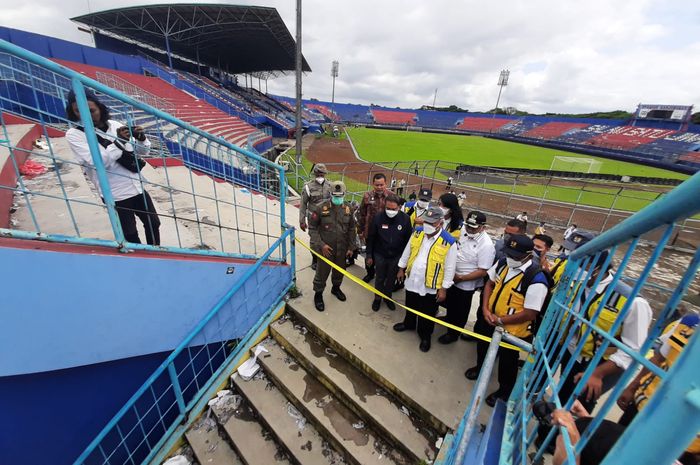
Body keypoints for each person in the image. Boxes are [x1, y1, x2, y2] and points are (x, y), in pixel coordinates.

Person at [556, 252, 652, 413]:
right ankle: (545, 435)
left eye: (582, 267)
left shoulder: (633, 302)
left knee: (578, 407)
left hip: (602, 364)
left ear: (597, 269)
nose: (576, 270)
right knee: (562, 396)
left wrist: (598, 373)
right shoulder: (580, 286)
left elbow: (634, 350)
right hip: (572, 353)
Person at [65, 90, 160, 245]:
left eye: (91, 111)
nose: (86, 115)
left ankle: (155, 252)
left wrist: (142, 140)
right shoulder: (74, 135)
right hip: (115, 194)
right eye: (78, 111)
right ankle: (140, 259)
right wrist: (118, 143)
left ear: (100, 108)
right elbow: (97, 162)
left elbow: (139, 152)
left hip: (137, 186)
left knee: (154, 223)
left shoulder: (115, 125)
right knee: (130, 234)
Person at [467, 234, 550, 407]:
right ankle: (481, 368)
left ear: (528, 255)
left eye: (515, 255)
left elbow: (530, 313)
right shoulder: (504, 263)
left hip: (512, 330)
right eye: (509, 253)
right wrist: (485, 309)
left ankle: (504, 391)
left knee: (507, 362)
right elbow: (489, 284)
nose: (511, 257)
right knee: (483, 346)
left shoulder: (536, 279)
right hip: (490, 319)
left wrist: (501, 320)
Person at [617, 312, 699, 465]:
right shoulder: (688, 323)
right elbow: (658, 358)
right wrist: (632, 387)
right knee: (616, 452)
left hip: (685, 440)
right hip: (643, 407)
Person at [393, 206, 457, 352]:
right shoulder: (417, 233)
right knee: (410, 303)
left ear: (440, 223)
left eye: (432, 223)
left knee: (427, 312)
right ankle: (408, 323)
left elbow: (450, 268)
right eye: (426, 222)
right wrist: (401, 269)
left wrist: (443, 289)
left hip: (431, 284)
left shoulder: (449, 242)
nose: (427, 225)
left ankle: (425, 335)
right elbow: (407, 251)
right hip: (412, 279)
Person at [438, 211, 495, 344]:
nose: (469, 229)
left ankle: (453, 334)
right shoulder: (463, 231)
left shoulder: (486, 245)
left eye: (473, 227)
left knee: (461, 310)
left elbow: (483, 271)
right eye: (468, 226)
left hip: (465, 283)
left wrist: (461, 278)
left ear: (483, 227)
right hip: (451, 277)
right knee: (450, 303)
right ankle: (449, 318)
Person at [308, 181, 357, 312]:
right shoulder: (320, 208)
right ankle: (318, 295)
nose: (337, 198)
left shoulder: (348, 209)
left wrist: (351, 247)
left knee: (339, 271)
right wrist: (321, 245)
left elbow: (352, 228)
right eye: (335, 196)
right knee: (321, 273)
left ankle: (336, 288)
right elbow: (312, 228)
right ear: (330, 194)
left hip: (342, 249)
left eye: (340, 196)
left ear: (344, 195)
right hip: (326, 250)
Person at [365, 194, 412, 311]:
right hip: (380, 254)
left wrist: (404, 261)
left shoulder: (405, 219)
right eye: (388, 209)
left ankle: (387, 297)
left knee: (391, 278)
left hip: (396, 256)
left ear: (399, 207)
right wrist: (369, 255)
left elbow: (408, 242)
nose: (390, 211)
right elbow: (371, 237)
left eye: (393, 209)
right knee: (379, 277)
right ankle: (377, 298)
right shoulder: (378, 217)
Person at [358, 173, 394, 283]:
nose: (379, 187)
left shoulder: (392, 196)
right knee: (369, 254)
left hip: (385, 234)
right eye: (377, 185)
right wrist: (360, 230)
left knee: (383, 256)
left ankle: (381, 275)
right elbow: (361, 214)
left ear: (385, 184)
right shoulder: (367, 196)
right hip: (370, 232)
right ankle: (370, 273)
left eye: (381, 185)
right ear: (373, 184)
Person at [299, 163, 332, 270]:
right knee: (314, 240)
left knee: (326, 238)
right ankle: (315, 258)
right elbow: (303, 204)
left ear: (325, 174)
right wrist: (302, 220)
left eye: (322, 174)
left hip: (327, 218)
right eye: (318, 173)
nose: (320, 176)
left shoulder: (330, 186)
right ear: (314, 174)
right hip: (313, 218)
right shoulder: (308, 187)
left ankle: (325, 256)